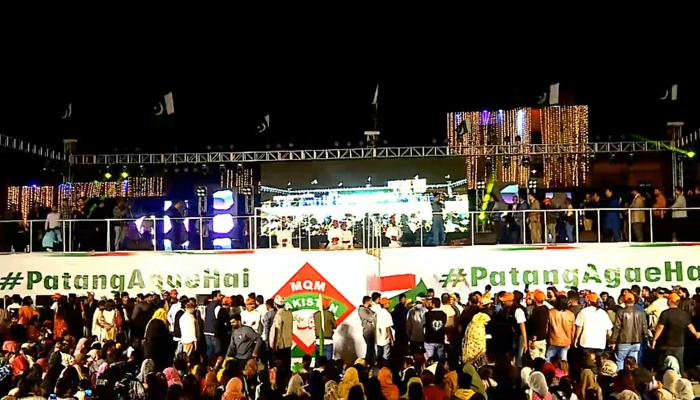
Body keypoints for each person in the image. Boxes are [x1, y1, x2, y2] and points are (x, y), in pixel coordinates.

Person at [652, 293, 700, 373]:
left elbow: (660, 328)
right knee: (680, 362)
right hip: (679, 344)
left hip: (666, 344)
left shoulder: (665, 313)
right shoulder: (684, 314)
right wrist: (696, 334)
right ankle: (680, 375)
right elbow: (690, 326)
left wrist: (654, 339)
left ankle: (666, 376)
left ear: (670, 301)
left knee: (666, 362)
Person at [611, 293, 648, 371]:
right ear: (634, 301)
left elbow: (617, 327)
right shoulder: (640, 313)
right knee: (633, 362)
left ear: (624, 301)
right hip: (636, 341)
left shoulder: (621, 312)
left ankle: (620, 376)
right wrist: (646, 338)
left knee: (620, 361)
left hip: (623, 340)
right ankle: (633, 376)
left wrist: (613, 340)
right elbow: (644, 326)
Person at [574, 293, 612, 358]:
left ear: (588, 301)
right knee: (598, 362)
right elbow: (609, 330)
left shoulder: (583, 311)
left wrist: (576, 339)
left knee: (586, 362)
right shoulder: (603, 313)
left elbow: (579, 327)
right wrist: (610, 341)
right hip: (600, 343)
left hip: (586, 343)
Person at [546, 295, 575, 363]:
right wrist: (572, 340)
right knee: (563, 361)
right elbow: (573, 330)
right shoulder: (570, 314)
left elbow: (547, 327)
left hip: (553, 340)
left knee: (548, 360)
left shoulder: (550, 312)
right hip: (566, 341)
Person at [270, 295, 293, 368]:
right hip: (288, 344)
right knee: (287, 366)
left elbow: (277, 330)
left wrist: (274, 345)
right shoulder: (289, 313)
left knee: (279, 367)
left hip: (280, 345)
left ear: (275, 304)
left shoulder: (278, 315)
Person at [313, 297, 337, 365]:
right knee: (328, 362)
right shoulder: (330, 314)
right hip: (328, 341)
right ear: (326, 305)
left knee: (318, 361)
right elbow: (335, 326)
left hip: (318, 341)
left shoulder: (316, 315)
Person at [204, 290, 224, 361]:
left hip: (207, 330)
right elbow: (217, 318)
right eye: (219, 295)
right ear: (215, 297)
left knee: (209, 350)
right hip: (214, 331)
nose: (221, 297)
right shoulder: (217, 306)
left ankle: (209, 364)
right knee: (217, 351)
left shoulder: (208, 306)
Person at [358, 296, 377, 365]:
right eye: (371, 301)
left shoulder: (367, 309)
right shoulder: (362, 310)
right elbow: (371, 318)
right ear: (368, 301)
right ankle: (368, 362)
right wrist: (374, 316)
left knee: (371, 348)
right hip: (367, 331)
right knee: (370, 348)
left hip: (371, 330)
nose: (371, 303)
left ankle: (371, 362)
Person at [375, 297, 394, 361]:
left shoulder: (377, 313)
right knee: (386, 355)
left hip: (378, 338)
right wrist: (391, 339)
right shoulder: (387, 314)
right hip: (385, 338)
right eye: (388, 303)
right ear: (384, 304)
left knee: (378, 354)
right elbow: (388, 328)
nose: (389, 304)